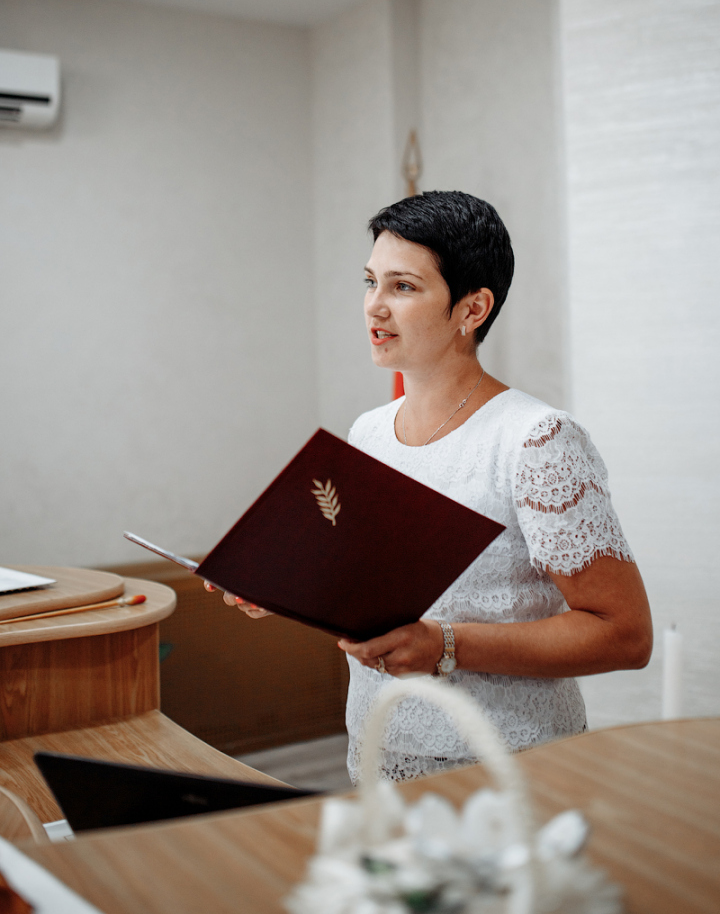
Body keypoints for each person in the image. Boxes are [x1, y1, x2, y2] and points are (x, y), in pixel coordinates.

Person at [211, 191, 653, 784]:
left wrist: (445, 644)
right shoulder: (369, 432)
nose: (374, 307)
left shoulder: (537, 440)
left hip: (505, 765)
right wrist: (283, 584)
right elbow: (372, 589)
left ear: (473, 308)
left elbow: (624, 634)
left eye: (403, 287)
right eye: (370, 282)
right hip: (376, 748)